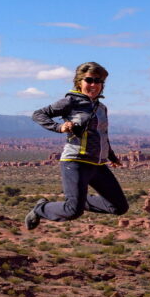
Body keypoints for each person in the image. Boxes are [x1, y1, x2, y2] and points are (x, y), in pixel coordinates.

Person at [24, 62, 128, 230]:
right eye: (89, 80)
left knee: (119, 206)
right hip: (76, 162)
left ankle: (78, 201)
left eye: (98, 81)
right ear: (79, 82)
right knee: (73, 211)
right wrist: (59, 127)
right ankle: (41, 208)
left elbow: (103, 135)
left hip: (98, 165)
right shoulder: (71, 101)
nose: (94, 84)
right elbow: (39, 114)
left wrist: (112, 157)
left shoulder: (101, 108)